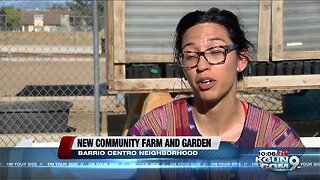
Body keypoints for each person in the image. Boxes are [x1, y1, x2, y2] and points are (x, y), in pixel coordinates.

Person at [128, 7, 304, 148]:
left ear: (241, 60)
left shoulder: (272, 138)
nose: (202, 66)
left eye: (215, 52)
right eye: (190, 55)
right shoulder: (156, 130)